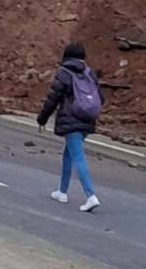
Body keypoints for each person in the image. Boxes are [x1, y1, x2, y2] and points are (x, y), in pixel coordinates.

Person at [35, 42, 102, 212]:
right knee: (68, 154)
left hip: (71, 120)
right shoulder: (90, 73)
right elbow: (100, 97)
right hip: (87, 120)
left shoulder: (63, 73)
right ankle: (62, 192)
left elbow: (52, 98)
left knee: (78, 157)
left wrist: (42, 119)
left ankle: (90, 195)